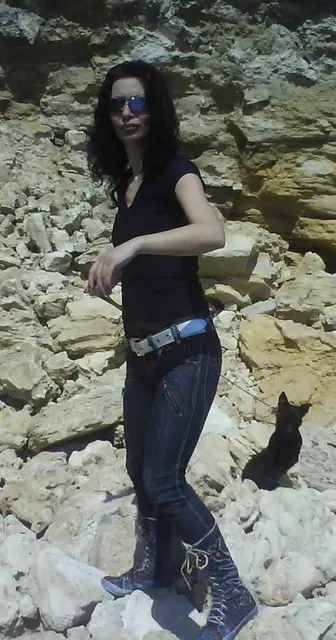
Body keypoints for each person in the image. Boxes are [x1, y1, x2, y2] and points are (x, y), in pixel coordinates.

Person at [86, 60, 257, 640]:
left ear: (155, 109)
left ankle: (232, 594)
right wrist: (114, 266)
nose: (127, 113)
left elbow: (211, 232)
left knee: (164, 479)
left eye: (137, 102)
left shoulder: (176, 171)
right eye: (117, 104)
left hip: (187, 351)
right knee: (139, 470)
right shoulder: (127, 185)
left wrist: (134, 245)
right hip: (143, 355)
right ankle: (155, 567)